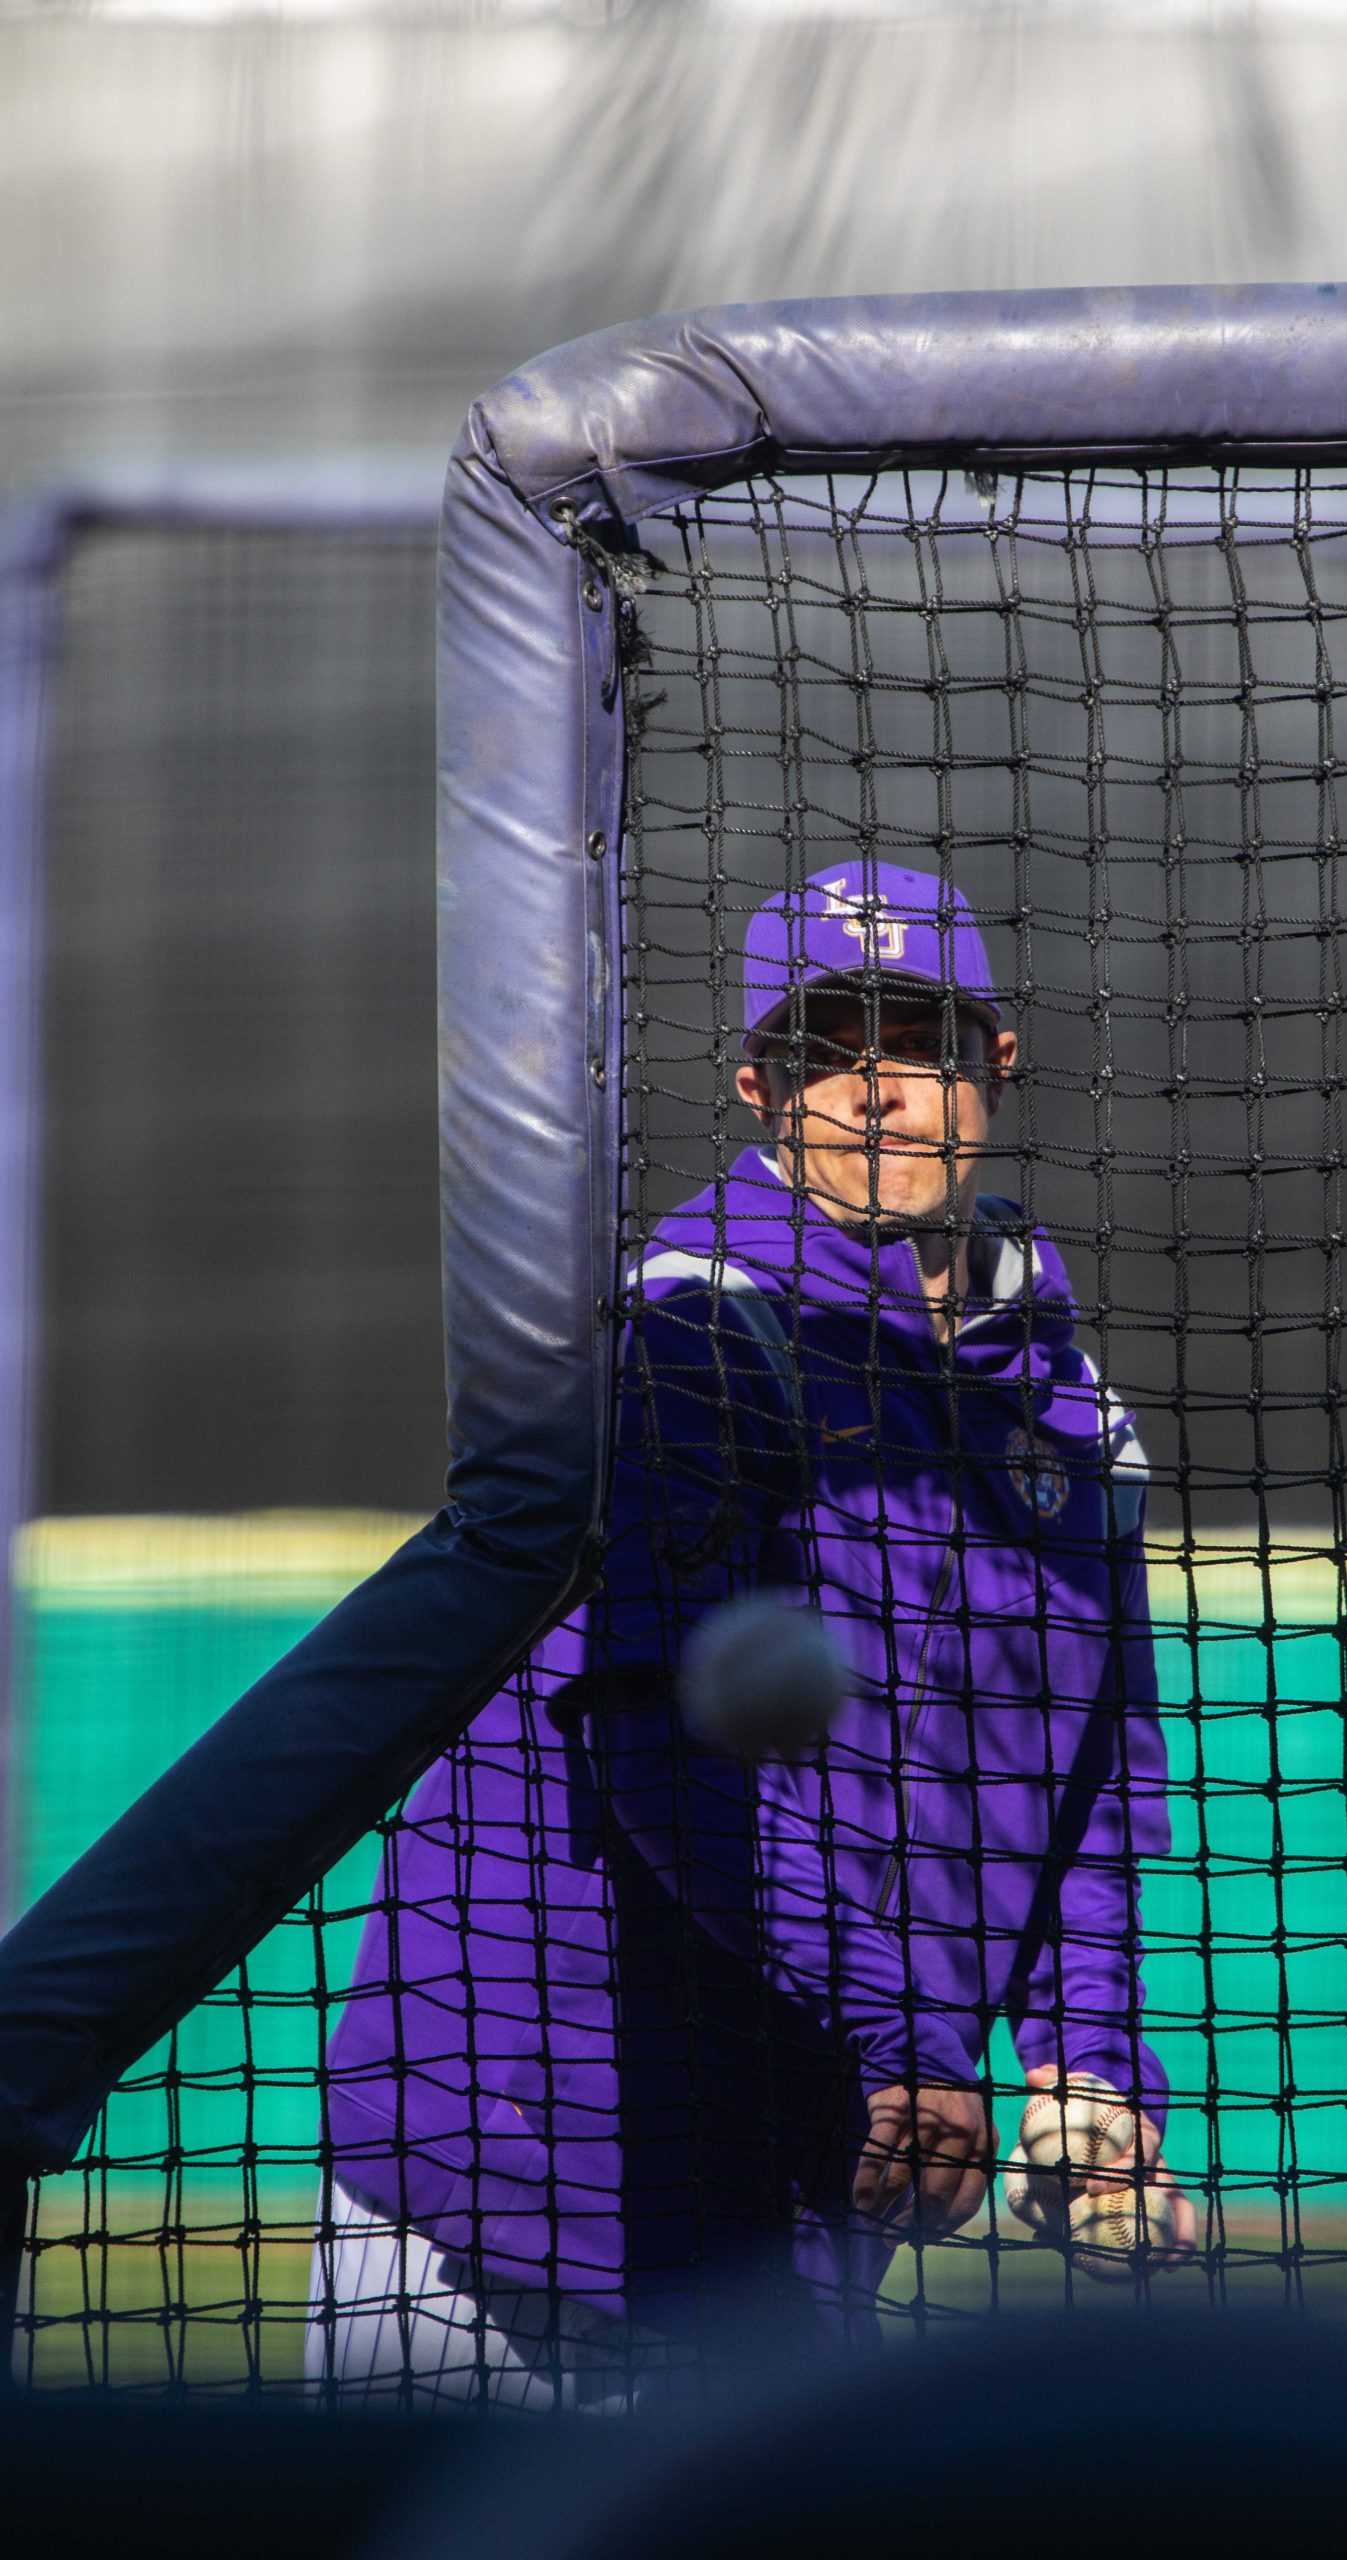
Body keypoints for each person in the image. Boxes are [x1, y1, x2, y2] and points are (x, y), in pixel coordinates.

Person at [310, 860, 1192, 2410]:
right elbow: (668, 1767)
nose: (871, 1096)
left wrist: (1088, 2080)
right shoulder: (686, 1336)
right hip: (537, 2157)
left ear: (991, 1061)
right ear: (755, 1087)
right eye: (820, 1054)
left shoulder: (1064, 1411)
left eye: (912, 1041)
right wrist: (905, 2039)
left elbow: (1091, 1795)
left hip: (800, 2178)